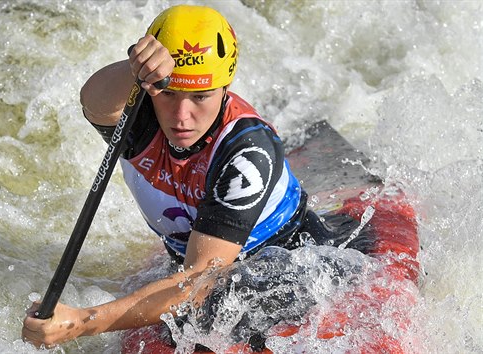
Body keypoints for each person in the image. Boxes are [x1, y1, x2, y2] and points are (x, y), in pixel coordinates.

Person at [22, 4, 364, 349]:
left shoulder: (248, 150)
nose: (181, 116)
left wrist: (83, 322)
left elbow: (201, 279)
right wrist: (134, 69)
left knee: (212, 308)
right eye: (169, 94)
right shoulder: (145, 117)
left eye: (200, 96)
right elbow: (95, 102)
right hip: (205, 271)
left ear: (225, 86)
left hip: (294, 270)